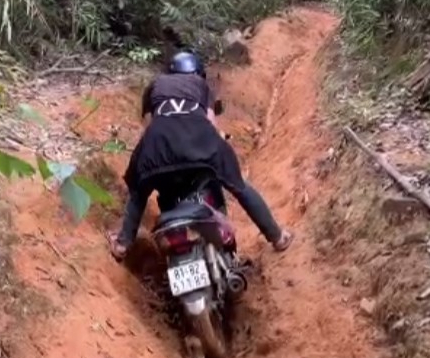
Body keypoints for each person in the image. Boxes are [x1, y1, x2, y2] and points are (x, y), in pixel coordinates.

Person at [109, 50, 294, 261]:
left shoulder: (156, 85)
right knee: (239, 186)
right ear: (198, 73)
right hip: (200, 139)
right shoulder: (200, 86)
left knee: (138, 192)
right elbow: (210, 122)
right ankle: (277, 237)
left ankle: (123, 243)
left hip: (157, 144)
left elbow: (150, 124)